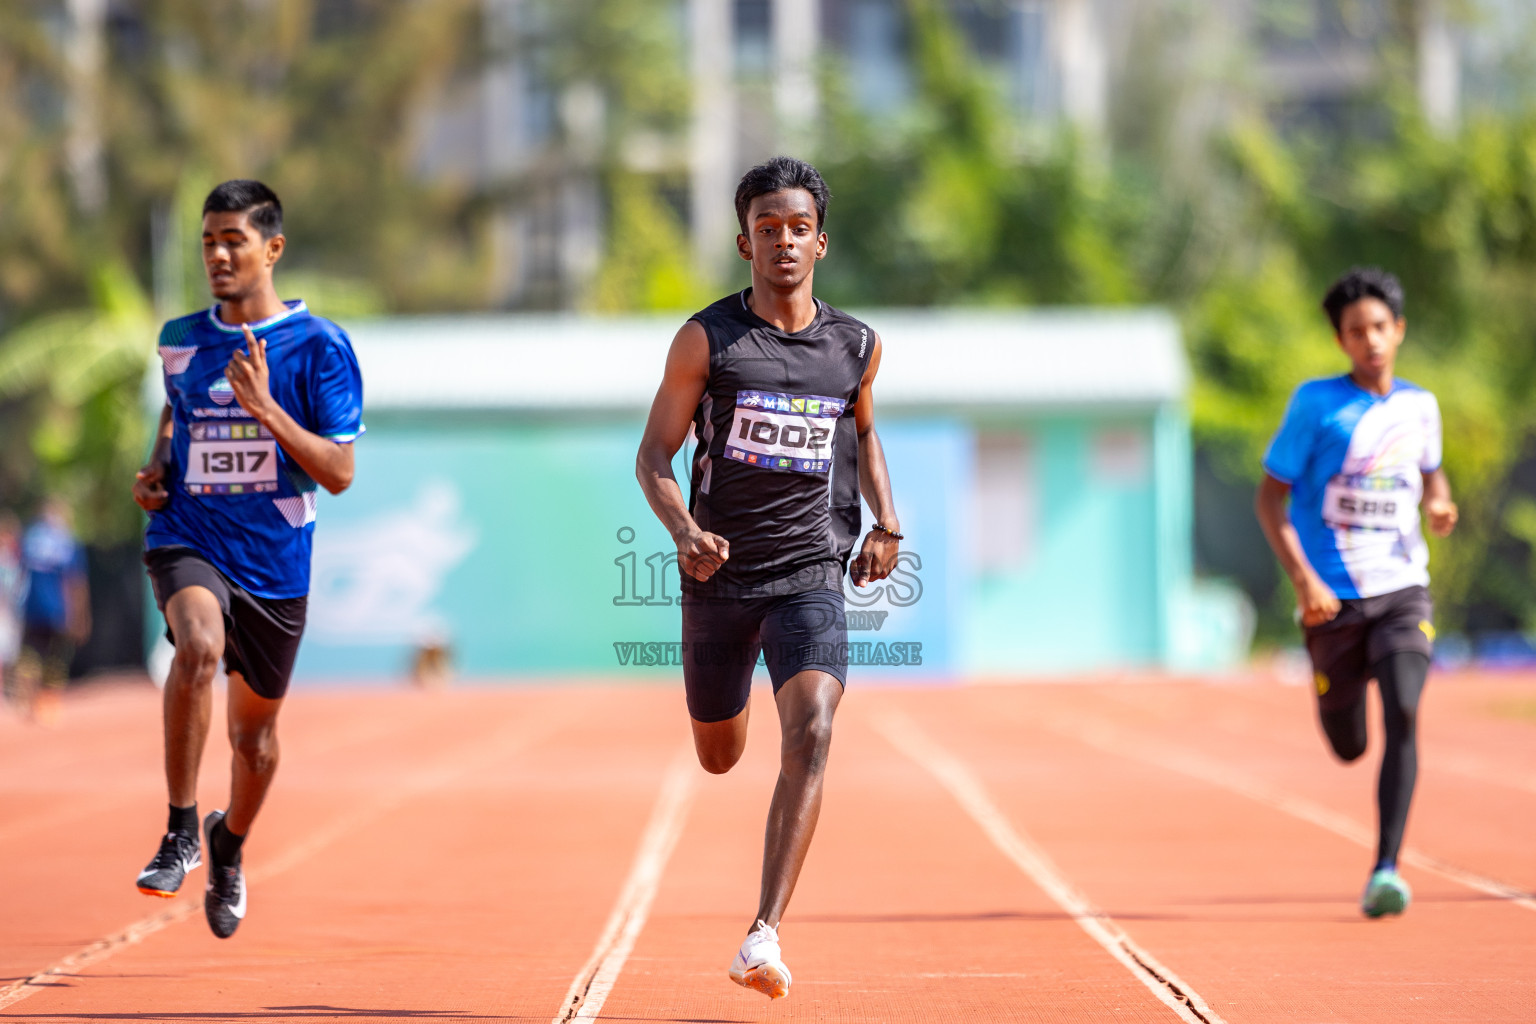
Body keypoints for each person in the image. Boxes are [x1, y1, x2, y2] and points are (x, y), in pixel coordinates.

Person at [636, 156, 901, 999]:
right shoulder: (707, 341)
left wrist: (886, 522)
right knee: (720, 755)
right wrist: (684, 531)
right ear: (743, 240)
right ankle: (728, 706)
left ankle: (762, 933)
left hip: (810, 569)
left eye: (797, 228)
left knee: (815, 729)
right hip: (720, 575)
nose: (782, 241)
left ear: (820, 241)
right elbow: (653, 457)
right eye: (765, 228)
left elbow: (864, 432)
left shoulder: (855, 344)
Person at [132, 179, 364, 939]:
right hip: (189, 537)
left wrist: (266, 410)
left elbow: (338, 471)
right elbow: (178, 415)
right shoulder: (179, 337)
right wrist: (157, 468)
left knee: (254, 742)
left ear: (273, 248)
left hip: (273, 564)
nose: (218, 255)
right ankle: (179, 828)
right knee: (196, 648)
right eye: (207, 241)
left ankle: (228, 844)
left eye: (233, 239)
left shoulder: (319, 346)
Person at [1255, 266, 1457, 919]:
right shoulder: (1316, 406)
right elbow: (1269, 499)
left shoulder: (1420, 407)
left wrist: (1441, 501)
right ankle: (1337, 701)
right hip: (1332, 602)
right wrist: (1305, 579)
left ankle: (1386, 868)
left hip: (1402, 588)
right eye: (1355, 331)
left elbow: (1431, 473)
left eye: (1379, 327)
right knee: (1350, 747)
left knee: (1404, 711)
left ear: (1398, 330)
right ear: (1340, 340)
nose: (1369, 340)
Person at [13, 499, 90, 723]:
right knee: (55, 658)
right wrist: (80, 616)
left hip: (31, 607)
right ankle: (47, 703)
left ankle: (26, 696)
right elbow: (75, 582)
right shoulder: (67, 542)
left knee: (31, 655)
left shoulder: (29, 538)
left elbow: (18, 574)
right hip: (58, 609)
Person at [0, 510, 27, 706]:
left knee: (12, 654)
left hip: (14, 611)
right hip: (2, 611)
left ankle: (11, 689)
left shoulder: (18, 557)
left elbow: (22, 584)